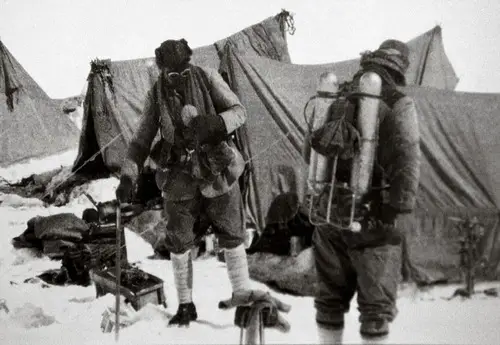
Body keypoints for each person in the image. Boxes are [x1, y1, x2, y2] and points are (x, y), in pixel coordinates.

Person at [115, 38, 254, 327]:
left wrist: (215, 124)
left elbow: (239, 112)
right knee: (178, 242)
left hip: (218, 172)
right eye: (172, 74)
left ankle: (242, 298)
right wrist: (128, 176)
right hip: (178, 178)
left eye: (184, 71)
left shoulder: (207, 77)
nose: (179, 79)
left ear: (190, 63)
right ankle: (186, 306)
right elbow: (140, 142)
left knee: (232, 235)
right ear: (162, 70)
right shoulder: (156, 95)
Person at [310, 39, 421, 342]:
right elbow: (407, 161)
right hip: (373, 218)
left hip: (328, 210)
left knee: (329, 301)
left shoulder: (336, 95)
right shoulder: (399, 103)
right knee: (375, 310)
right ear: (399, 67)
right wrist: (397, 212)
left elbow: (315, 147)